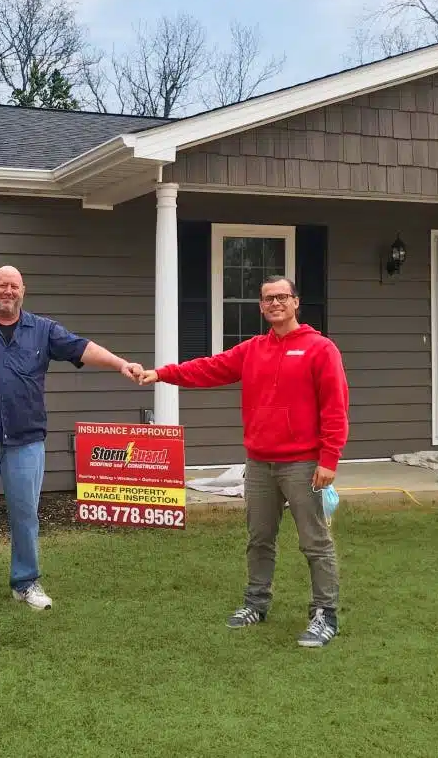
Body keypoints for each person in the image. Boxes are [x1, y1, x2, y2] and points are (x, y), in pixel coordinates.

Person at [139, 275, 349, 647]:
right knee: (259, 540)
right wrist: (163, 374)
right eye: (268, 299)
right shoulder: (252, 350)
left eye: (282, 296)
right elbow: (208, 368)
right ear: (261, 306)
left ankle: (324, 614)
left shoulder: (321, 349)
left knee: (315, 542)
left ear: (296, 302)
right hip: (259, 464)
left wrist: (329, 458)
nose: (275, 303)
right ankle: (256, 603)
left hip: (303, 463)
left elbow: (335, 408)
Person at [0, 265, 145, 615]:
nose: (8, 292)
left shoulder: (42, 330)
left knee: (26, 515)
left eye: (14, 286)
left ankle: (26, 583)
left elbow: (81, 348)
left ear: (23, 291)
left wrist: (120, 363)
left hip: (26, 441)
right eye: (2, 285)